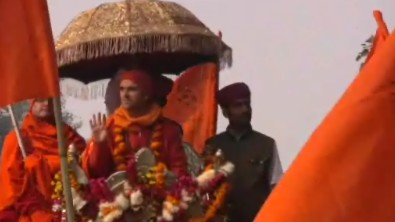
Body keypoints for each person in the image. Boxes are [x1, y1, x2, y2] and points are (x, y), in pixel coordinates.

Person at [82, 69, 188, 179]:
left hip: (160, 192)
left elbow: (179, 170)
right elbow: (97, 173)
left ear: (146, 95)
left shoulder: (168, 129)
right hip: (119, 194)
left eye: (132, 89)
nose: (125, 95)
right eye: (122, 89)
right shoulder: (109, 127)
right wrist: (99, 145)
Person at [204, 82, 283, 222]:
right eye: (238, 105)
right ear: (225, 112)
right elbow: (203, 187)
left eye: (247, 104)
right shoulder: (213, 146)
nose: (245, 109)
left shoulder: (266, 144)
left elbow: (277, 187)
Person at [0, 99, 86, 221]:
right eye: (40, 99)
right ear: (31, 103)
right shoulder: (18, 140)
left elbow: (87, 169)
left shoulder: (68, 135)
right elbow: (11, 190)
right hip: (34, 215)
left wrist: (99, 145)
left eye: (50, 100)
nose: (46, 103)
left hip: (73, 209)